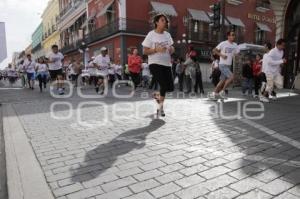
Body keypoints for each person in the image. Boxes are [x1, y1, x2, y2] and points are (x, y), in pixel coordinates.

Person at [142, 14, 175, 117]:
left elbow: (172, 48)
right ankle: (160, 108)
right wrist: (156, 49)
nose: (164, 22)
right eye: (162, 20)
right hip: (155, 63)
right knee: (164, 85)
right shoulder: (151, 34)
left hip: (166, 64)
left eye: (165, 20)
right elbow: (145, 51)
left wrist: (171, 49)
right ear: (156, 22)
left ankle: (157, 95)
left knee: (170, 87)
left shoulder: (167, 35)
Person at [209, 31, 240, 100]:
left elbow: (237, 54)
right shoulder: (223, 43)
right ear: (228, 36)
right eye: (232, 35)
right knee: (232, 77)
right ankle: (222, 91)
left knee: (222, 80)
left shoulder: (235, 45)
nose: (233, 36)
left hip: (228, 65)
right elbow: (214, 50)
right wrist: (222, 55)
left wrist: (236, 55)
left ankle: (213, 94)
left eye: (234, 35)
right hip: (222, 64)